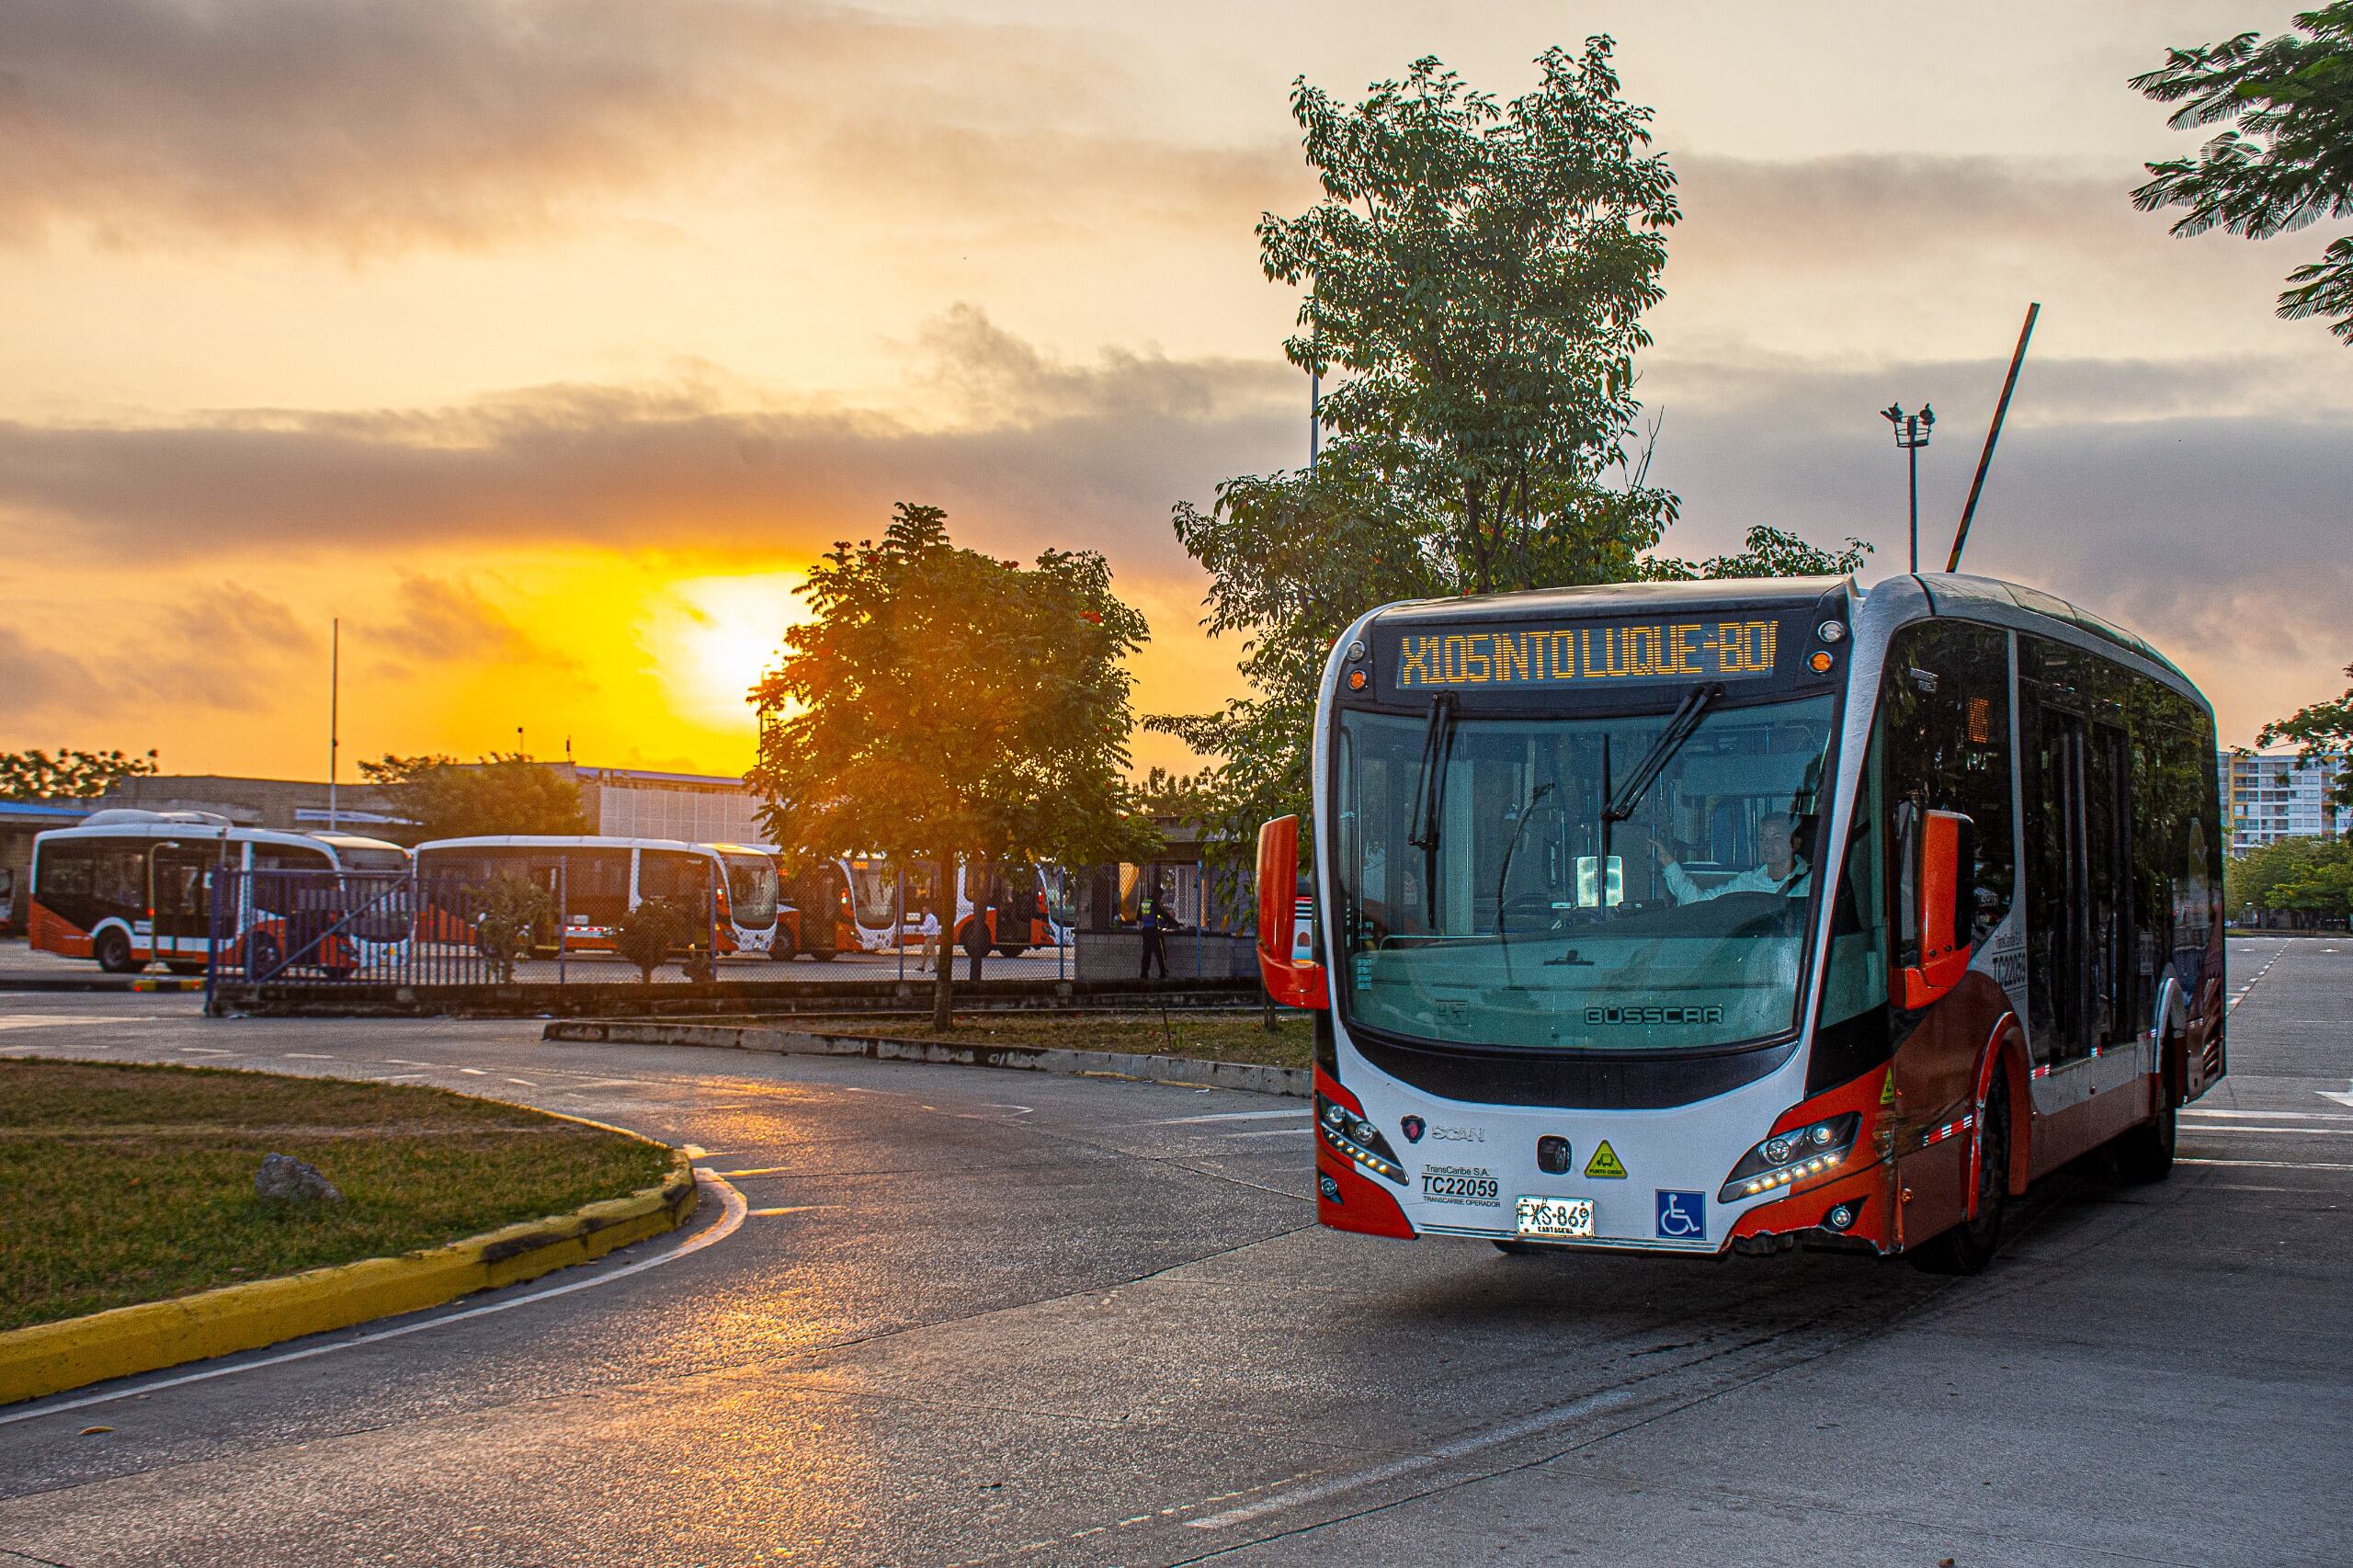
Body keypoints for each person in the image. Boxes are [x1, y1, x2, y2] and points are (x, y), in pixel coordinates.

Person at [1653, 812, 1812, 904]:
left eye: (1776, 838)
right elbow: (1699, 904)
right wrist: (1668, 862)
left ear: (1795, 842)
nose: (1768, 845)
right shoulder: (1746, 882)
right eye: (1762, 838)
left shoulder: (1812, 882)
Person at [1139, 887, 1169, 979]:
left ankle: (1143, 974)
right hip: (1154, 931)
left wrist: (1147, 917)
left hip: (1145, 930)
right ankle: (1163, 974)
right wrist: (1176, 923)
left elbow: (1138, 917)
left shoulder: (1144, 902)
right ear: (1157, 894)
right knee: (1160, 953)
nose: (1160, 898)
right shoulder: (1154, 903)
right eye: (1160, 896)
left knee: (1146, 953)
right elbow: (1165, 915)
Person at [916, 903, 941, 973]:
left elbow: (928, 927)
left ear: (928, 910)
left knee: (932, 952)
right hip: (929, 937)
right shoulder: (929, 917)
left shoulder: (930, 918)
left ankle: (937, 967)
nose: (923, 911)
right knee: (924, 951)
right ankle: (922, 966)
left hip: (931, 937)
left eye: (924, 909)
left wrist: (919, 929)